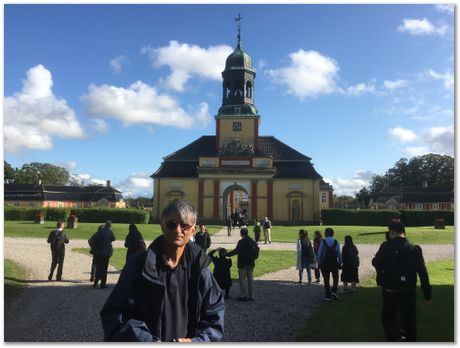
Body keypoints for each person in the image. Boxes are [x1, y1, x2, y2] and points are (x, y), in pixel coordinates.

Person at [100, 200, 224, 342]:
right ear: (162, 226)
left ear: (193, 230)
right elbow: (115, 314)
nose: (178, 230)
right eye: (172, 225)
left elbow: (214, 315)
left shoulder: (200, 269)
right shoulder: (139, 265)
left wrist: (197, 342)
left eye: (184, 226)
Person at [372, 219, 432, 342]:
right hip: (408, 291)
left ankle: (394, 340)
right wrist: (427, 294)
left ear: (391, 232)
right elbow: (422, 272)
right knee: (410, 321)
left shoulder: (386, 246)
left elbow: (376, 262)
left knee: (388, 320)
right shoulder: (415, 249)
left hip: (390, 291)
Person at [227, 227, 259, 302]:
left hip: (243, 263)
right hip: (251, 262)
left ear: (241, 233)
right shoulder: (252, 241)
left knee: (242, 279)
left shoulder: (241, 242)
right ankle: (251, 295)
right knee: (250, 279)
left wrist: (228, 254)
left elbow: (236, 251)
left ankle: (243, 295)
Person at [316, 227, 342, 301]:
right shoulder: (336, 241)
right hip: (334, 262)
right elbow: (339, 254)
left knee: (326, 279)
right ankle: (334, 291)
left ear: (327, 233)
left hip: (325, 262)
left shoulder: (323, 241)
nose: (324, 233)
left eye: (325, 232)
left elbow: (320, 253)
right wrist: (340, 262)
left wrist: (319, 262)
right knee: (335, 277)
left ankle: (328, 295)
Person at [92, 220, 116, 289]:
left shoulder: (101, 231)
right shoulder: (110, 232)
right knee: (104, 268)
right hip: (106, 252)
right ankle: (103, 284)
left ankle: (95, 282)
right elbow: (114, 239)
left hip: (100, 252)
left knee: (99, 267)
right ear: (110, 226)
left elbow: (95, 238)